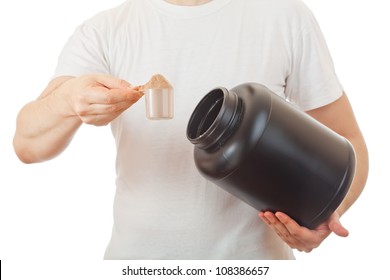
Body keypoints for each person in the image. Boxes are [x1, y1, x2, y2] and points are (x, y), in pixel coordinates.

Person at [13, 0, 369, 259]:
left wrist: (322, 218)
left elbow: (348, 140)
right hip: (138, 265)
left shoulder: (284, 15)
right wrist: (68, 100)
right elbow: (27, 144)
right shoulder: (105, 30)